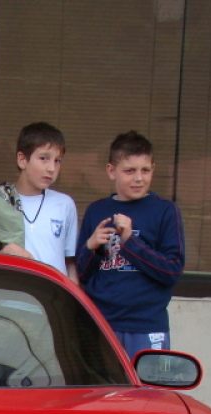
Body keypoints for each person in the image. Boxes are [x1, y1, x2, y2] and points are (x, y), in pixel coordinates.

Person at [74, 130, 184, 356]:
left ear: (153, 169)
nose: (138, 178)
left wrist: (130, 241)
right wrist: (90, 247)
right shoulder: (97, 211)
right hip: (102, 322)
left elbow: (172, 271)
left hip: (147, 325)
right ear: (111, 171)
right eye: (129, 171)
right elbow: (82, 275)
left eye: (145, 170)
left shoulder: (165, 210)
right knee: (103, 390)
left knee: (147, 390)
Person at [0, 122, 79, 280]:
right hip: (10, 296)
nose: (51, 168)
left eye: (57, 161)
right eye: (44, 158)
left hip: (53, 299)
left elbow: (70, 263)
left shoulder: (64, 204)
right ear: (22, 160)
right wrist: (4, 254)